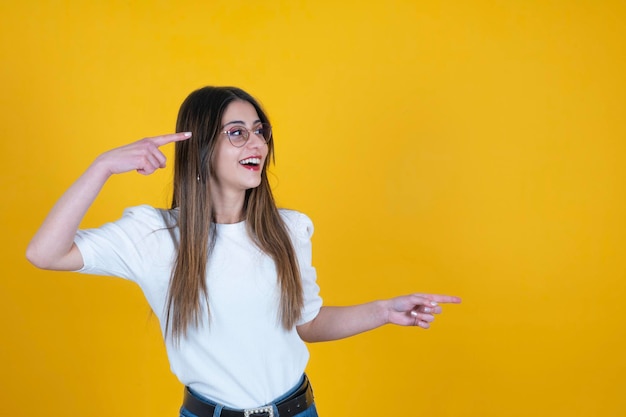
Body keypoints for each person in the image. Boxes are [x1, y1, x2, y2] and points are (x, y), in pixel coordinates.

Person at [26, 86, 461, 417]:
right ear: (200, 149)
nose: (256, 144)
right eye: (236, 133)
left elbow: (307, 324)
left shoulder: (289, 229)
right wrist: (101, 166)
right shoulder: (153, 237)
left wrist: (383, 311)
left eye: (259, 132)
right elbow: (45, 253)